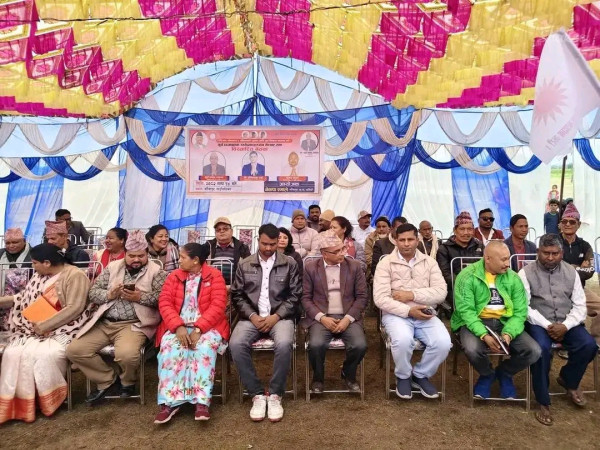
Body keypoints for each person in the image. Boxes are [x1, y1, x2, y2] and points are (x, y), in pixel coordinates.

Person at [67, 230, 167, 404]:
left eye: (141, 256)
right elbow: (93, 293)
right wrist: (109, 295)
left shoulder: (157, 272)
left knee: (127, 355)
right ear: (125, 254)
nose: (136, 260)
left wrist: (140, 297)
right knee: (75, 350)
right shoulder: (112, 267)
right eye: (132, 256)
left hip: (135, 324)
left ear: (147, 254)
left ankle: (128, 382)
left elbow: (163, 298)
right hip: (105, 322)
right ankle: (108, 380)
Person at [0, 244, 94, 424]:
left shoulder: (75, 276)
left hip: (67, 329)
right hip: (33, 329)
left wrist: (45, 326)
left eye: (34, 262)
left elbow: (75, 308)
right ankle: (20, 405)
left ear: (47, 263)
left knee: (45, 354)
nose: (32, 266)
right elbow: (22, 298)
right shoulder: (40, 275)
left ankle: (47, 401)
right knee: (13, 353)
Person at [518, 234, 597, 426]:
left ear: (561, 253)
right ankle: (543, 400)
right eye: (546, 253)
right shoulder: (525, 273)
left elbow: (580, 305)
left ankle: (569, 380)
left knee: (589, 345)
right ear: (538, 252)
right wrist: (548, 325)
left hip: (566, 322)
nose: (550, 257)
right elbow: (524, 307)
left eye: (555, 253)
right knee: (541, 350)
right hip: (538, 322)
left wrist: (566, 326)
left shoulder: (571, 272)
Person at [451, 241, 541, 400]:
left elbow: (520, 311)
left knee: (534, 351)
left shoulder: (513, 277)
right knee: (472, 349)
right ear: (488, 259)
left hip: (505, 322)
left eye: (508, 258)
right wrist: (483, 335)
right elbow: (466, 311)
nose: (508, 264)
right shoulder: (467, 276)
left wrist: (508, 333)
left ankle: (505, 372)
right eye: (503, 259)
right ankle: (487, 374)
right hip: (476, 321)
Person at [229, 223, 301, 422]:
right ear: (257, 240)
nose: (268, 248)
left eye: (272, 244)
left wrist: (276, 316)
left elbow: (295, 295)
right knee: (236, 344)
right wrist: (253, 316)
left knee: (284, 344)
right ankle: (257, 394)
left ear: (278, 242)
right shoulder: (245, 264)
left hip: (280, 317)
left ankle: (276, 394)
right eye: (264, 244)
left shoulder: (289, 263)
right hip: (251, 317)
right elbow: (237, 295)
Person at [153, 243, 230, 423]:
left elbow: (218, 306)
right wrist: (177, 327)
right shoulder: (174, 276)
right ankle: (169, 402)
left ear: (195, 260)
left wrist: (199, 328)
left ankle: (201, 402)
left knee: (203, 348)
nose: (179, 260)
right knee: (170, 348)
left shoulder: (214, 276)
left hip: (208, 326)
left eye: (182, 257)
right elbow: (164, 302)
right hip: (176, 326)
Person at [374, 223, 450, 399]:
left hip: (425, 312)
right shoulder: (385, 263)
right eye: (402, 240)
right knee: (402, 341)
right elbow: (380, 298)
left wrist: (411, 294)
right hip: (396, 314)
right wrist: (408, 311)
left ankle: (420, 375)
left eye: (410, 239)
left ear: (417, 240)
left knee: (443, 343)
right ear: (395, 241)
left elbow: (441, 292)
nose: (406, 244)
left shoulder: (429, 262)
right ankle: (403, 376)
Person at [302, 232, 367, 393]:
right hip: (321, 317)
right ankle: (318, 378)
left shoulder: (354, 266)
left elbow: (362, 297)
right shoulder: (311, 268)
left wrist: (348, 319)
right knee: (316, 345)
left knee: (360, 345)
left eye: (343, 249)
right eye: (336, 251)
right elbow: (305, 298)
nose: (342, 253)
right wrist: (322, 318)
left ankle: (348, 374)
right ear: (324, 253)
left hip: (348, 315)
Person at [436, 211, 484, 309]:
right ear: (455, 230)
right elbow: (446, 274)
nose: (466, 233)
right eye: (462, 229)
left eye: (469, 229)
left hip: (479, 287)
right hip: (454, 289)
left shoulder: (479, 246)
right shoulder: (444, 249)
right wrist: (464, 286)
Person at [202, 217, 251, 285]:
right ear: (215, 233)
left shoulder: (242, 247)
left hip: (235, 287)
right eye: (218, 230)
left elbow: (249, 270)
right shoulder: (207, 246)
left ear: (231, 231)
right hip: (212, 286)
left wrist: (234, 287)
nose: (222, 231)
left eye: (225, 229)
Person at [557, 203, 594, 287]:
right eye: (564, 221)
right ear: (561, 224)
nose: (567, 224)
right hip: (556, 289)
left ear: (579, 224)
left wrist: (564, 267)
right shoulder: (552, 242)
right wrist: (578, 267)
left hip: (578, 289)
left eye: (572, 222)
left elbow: (590, 270)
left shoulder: (585, 246)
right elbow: (549, 268)